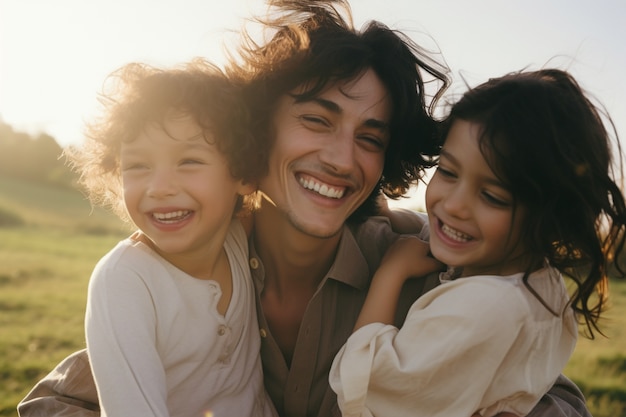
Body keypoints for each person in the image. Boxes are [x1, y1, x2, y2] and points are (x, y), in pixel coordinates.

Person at [18, 2, 594, 417]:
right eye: (316, 121)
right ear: (255, 131)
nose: (342, 159)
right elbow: (57, 400)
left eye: (370, 138)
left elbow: (551, 389)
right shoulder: (197, 260)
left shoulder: (420, 259)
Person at [329, 68, 626, 417]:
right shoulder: (539, 282)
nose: (453, 204)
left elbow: (368, 388)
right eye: (448, 171)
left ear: (549, 222)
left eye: (492, 196)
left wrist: (389, 275)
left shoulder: (481, 309)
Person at [62, 59, 276, 417]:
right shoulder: (124, 281)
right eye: (137, 166)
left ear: (243, 174)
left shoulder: (238, 237)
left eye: (189, 161)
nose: (159, 188)